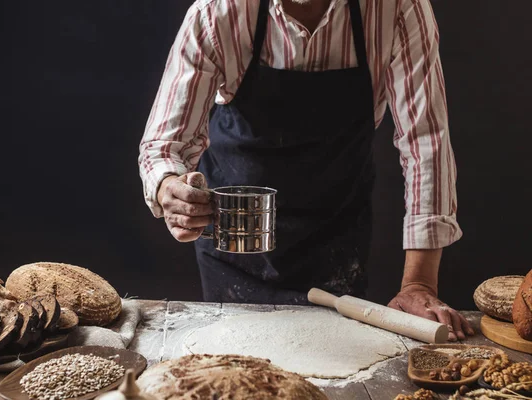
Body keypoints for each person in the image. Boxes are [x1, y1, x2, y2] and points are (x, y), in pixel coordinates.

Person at [139, 0, 474, 341]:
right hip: (237, 246)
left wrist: (419, 284)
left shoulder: (397, 7)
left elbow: (425, 143)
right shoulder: (218, 12)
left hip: (337, 240)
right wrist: (172, 191)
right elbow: (165, 147)